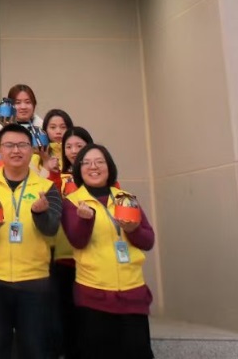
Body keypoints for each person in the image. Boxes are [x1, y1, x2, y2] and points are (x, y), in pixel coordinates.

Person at [0, 124, 62, 359]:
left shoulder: (47, 188)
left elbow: (52, 229)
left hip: (34, 283)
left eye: (22, 145)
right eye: (9, 145)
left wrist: (40, 214)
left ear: (32, 150)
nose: (16, 150)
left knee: (35, 350)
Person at [61, 145, 155, 359]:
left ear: (109, 167)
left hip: (132, 293)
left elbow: (148, 241)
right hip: (94, 295)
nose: (93, 167)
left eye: (99, 162)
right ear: (79, 169)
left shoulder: (126, 198)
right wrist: (86, 221)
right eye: (86, 163)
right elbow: (77, 241)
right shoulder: (73, 202)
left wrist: (133, 229)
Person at [50, 126, 94, 359]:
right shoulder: (58, 177)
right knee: (65, 312)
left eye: (79, 145)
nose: (74, 151)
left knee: (89, 315)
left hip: (94, 256)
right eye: (69, 146)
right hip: (64, 255)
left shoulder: (99, 176)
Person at [40, 109, 73, 184]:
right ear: (45, 130)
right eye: (53, 127)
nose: (58, 132)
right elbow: (37, 186)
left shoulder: (75, 154)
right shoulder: (36, 157)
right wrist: (46, 163)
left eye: (63, 127)